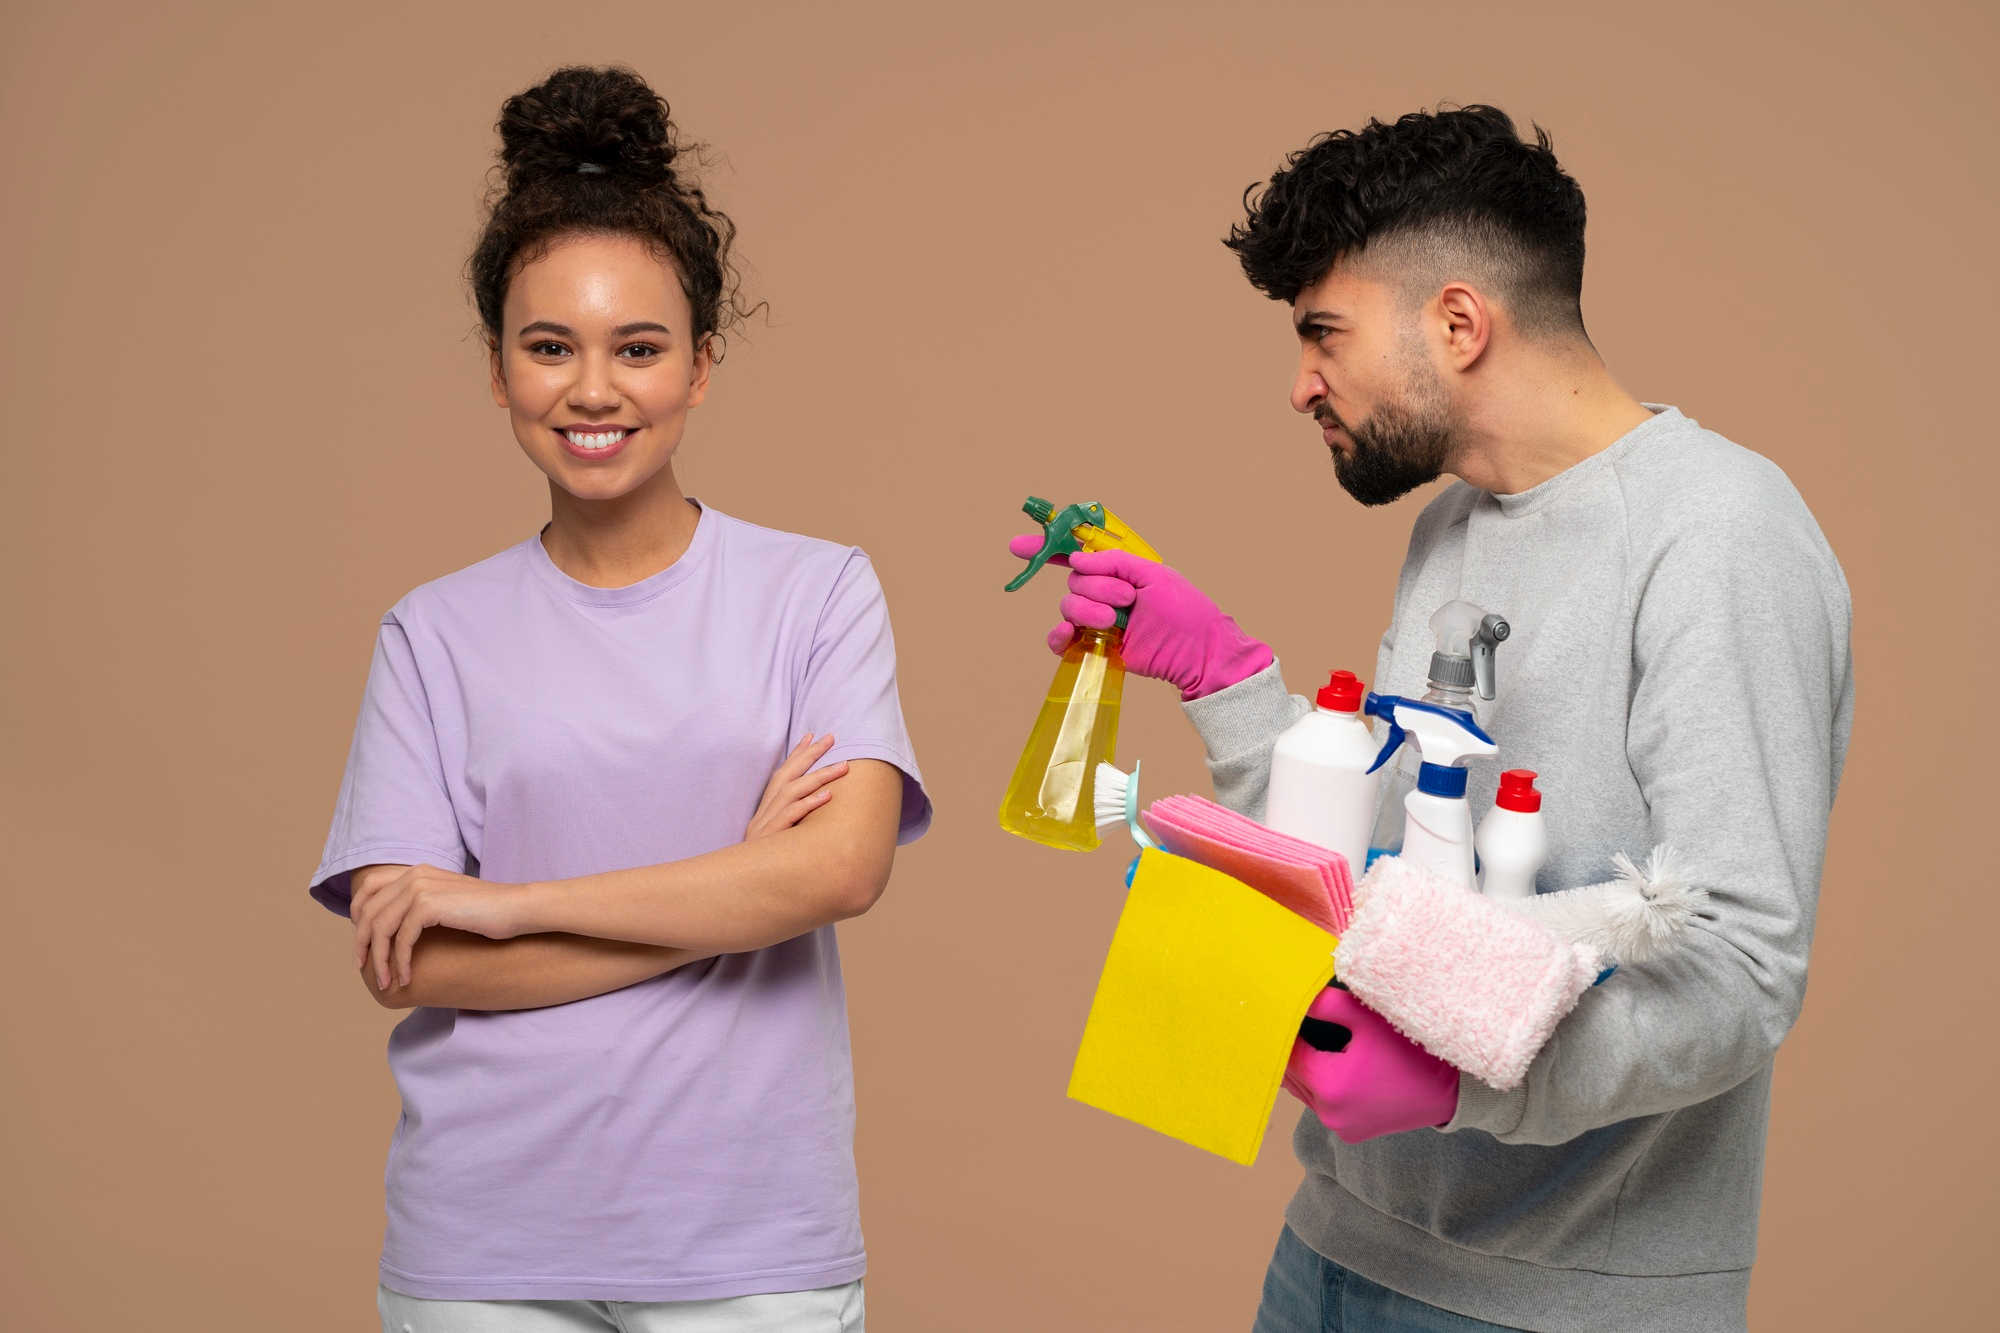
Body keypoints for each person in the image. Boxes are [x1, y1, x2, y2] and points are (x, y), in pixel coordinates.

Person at [1012, 106, 1851, 1333]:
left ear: (1457, 323)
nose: (1300, 383)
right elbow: (1385, 875)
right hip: (1334, 1250)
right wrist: (1230, 682)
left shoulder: (1719, 535)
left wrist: (1463, 1083)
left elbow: (1736, 959)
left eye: (1321, 335)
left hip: (1557, 1302)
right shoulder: (1452, 526)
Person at [310, 66, 928, 1333]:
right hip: (482, 1244)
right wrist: (731, 893)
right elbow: (412, 967)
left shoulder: (817, 594)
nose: (593, 390)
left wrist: (502, 903)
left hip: (749, 1241)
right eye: (549, 347)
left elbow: (839, 873)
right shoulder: (430, 635)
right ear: (498, 369)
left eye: (637, 348)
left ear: (700, 365)